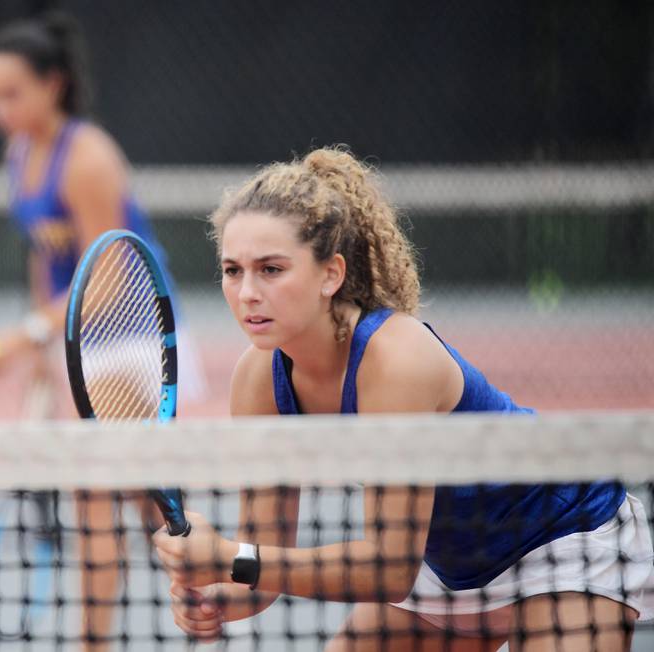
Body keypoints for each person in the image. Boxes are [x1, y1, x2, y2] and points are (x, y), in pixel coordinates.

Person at [153, 147, 654, 650]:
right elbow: (262, 562)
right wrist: (219, 590)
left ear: (331, 274)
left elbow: (388, 568)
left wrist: (229, 557)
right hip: (443, 571)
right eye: (232, 270)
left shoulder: (395, 359)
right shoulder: (258, 380)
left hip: (560, 545)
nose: (246, 293)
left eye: (271, 269)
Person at [0, 12, 204, 649]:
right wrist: (44, 344)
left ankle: (100, 643)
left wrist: (29, 332)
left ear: (55, 84)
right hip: (77, 342)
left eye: (11, 92)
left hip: (134, 338)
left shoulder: (90, 157)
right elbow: (45, 259)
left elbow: (102, 280)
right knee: (142, 500)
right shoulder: (18, 155)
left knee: (101, 497)